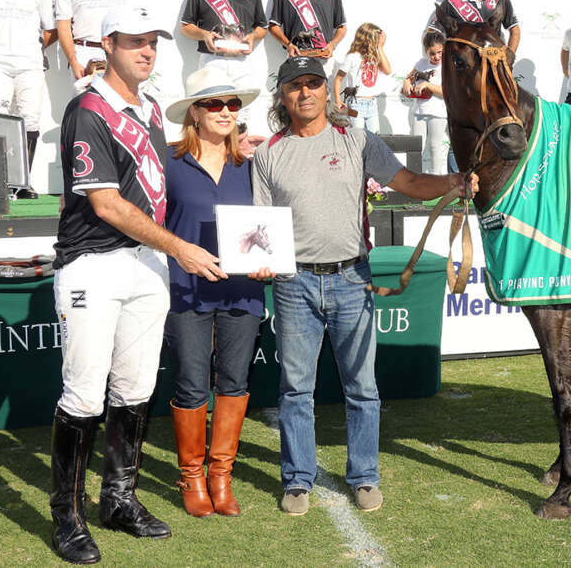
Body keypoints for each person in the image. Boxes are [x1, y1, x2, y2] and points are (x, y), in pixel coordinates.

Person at [251, 56, 477, 515]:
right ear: (283, 95)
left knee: (363, 388)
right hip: (294, 284)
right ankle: (297, 480)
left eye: (314, 83)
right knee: (295, 390)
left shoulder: (357, 139)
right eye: (296, 86)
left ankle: (365, 476)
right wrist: (260, 263)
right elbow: (260, 227)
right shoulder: (267, 153)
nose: (306, 92)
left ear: (327, 92)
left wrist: (455, 181)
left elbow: (409, 182)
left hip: (353, 278)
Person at [50, 6, 225, 564]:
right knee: (83, 393)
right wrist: (180, 248)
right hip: (93, 263)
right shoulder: (87, 109)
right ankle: (68, 517)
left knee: (135, 389)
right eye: (134, 42)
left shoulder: (148, 107)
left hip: (145, 265)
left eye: (152, 42)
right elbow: (105, 204)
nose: (147, 51)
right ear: (108, 44)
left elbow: (154, 185)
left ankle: (118, 499)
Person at [162, 67, 264, 518]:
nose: (226, 112)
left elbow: (269, 227)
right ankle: (191, 477)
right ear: (194, 113)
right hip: (186, 290)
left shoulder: (253, 165)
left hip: (245, 289)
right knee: (189, 385)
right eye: (215, 104)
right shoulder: (168, 162)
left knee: (235, 382)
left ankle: (220, 477)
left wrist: (271, 261)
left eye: (233, 105)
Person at [0, 0, 57, 199]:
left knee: (29, 119)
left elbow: (50, 30)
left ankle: (22, 183)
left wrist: (32, 50)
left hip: (30, 63)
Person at [180, 0, 267, 126]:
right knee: (210, 112)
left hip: (241, 61)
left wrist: (253, 36)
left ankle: (238, 153)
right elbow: (185, 26)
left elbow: (262, 26)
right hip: (213, 60)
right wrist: (204, 34)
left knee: (241, 115)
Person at [401, 29, 449, 173]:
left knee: (436, 147)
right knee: (416, 147)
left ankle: (436, 181)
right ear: (425, 51)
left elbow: (446, 92)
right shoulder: (421, 63)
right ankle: (413, 180)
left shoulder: (447, 66)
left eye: (439, 52)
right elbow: (408, 79)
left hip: (438, 113)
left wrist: (428, 85)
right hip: (419, 112)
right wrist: (407, 85)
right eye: (432, 53)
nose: (436, 56)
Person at [332, 23, 391, 133]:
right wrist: (338, 100)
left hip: (372, 104)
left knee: (374, 138)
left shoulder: (375, 56)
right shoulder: (352, 56)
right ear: (367, 39)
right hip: (355, 104)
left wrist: (380, 48)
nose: (378, 42)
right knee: (357, 137)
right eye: (376, 39)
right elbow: (338, 78)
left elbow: (387, 71)